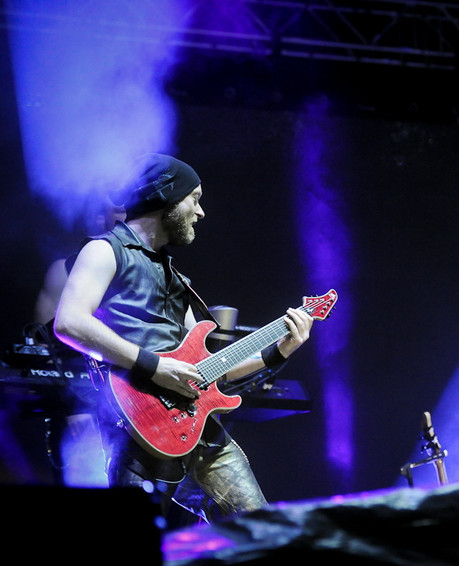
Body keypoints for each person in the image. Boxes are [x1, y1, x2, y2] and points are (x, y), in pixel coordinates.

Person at [53, 153, 315, 524]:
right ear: (167, 199)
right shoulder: (104, 250)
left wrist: (279, 351)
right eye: (195, 198)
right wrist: (155, 366)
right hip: (139, 429)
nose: (201, 211)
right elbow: (69, 323)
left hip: (198, 428)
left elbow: (212, 371)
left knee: (261, 529)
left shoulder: (177, 280)